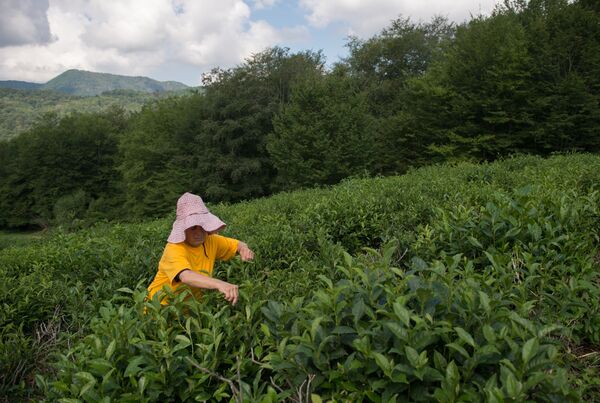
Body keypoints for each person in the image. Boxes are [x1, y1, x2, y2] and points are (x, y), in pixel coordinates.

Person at [147, 192, 254, 305]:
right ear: (183, 228)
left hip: (191, 310)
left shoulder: (210, 240)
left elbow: (238, 244)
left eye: (202, 226)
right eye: (193, 228)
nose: (198, 233)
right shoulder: (174, 248)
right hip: (160, 311)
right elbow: (186, 276)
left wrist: (244, 250)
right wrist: (220, 284)